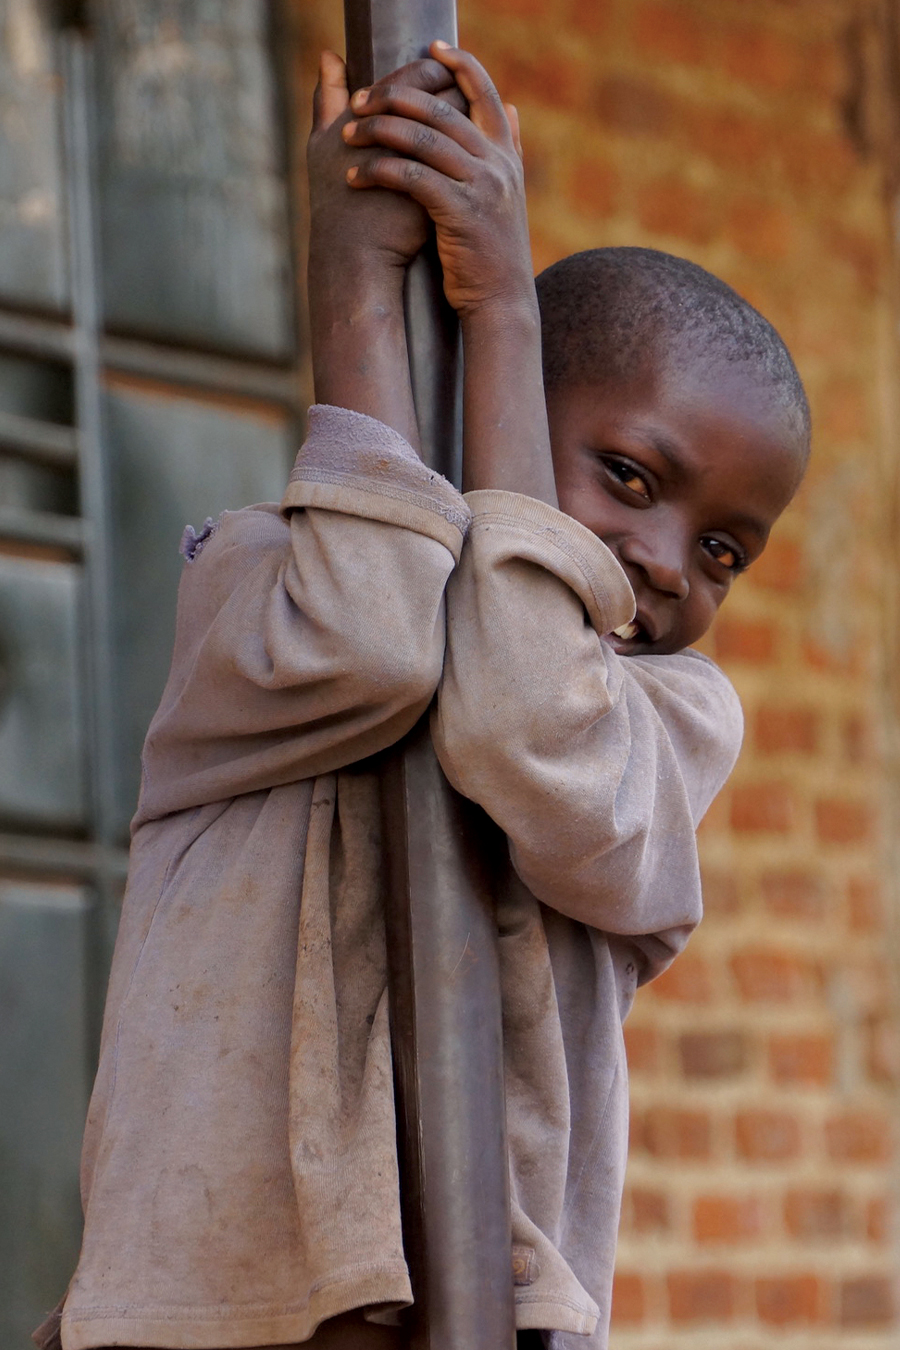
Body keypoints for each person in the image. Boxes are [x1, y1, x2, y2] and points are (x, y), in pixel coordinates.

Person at [45, 42, 809, 1350]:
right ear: (480, 408)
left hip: (484, 1315)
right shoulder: (256, 586)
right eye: (629, 476)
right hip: (196, 1305)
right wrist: (358, 290)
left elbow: (524, 715)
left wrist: (506, 310)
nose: (670, 563)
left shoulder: (669, 727)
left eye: (726, 550)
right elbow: (378, 640)